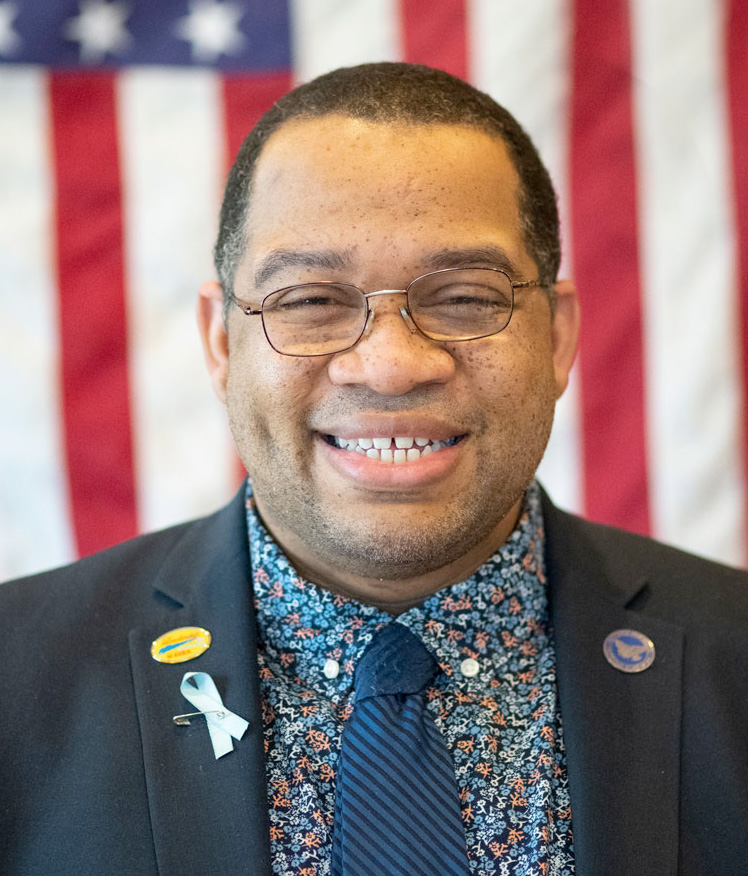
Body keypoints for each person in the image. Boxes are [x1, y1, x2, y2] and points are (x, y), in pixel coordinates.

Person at [1, 63, 747, 876]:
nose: (390, 367)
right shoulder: (16, 678)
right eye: (310, 300)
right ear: (221, 344)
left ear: (558, 336)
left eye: (465, 297)